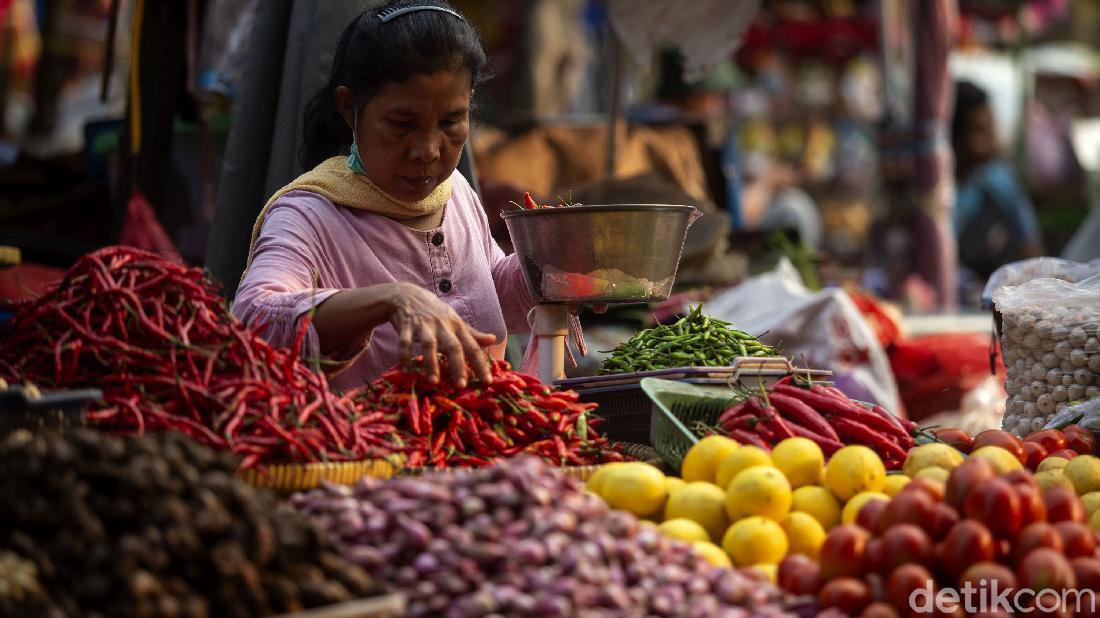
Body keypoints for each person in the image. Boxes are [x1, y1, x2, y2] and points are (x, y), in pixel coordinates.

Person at [233, 0, 533, 391]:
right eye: (401, 124)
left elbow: (487, 290)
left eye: (451, 121)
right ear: (349, 108)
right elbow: (252, 317)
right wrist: (388, 300)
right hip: (363, 447)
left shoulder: (455, 190)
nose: (427, 149)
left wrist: (552, 266)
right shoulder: (307, 215)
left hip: (480, 443)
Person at [951, 80, 1043, 280]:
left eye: (992, 126)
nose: (992, 138)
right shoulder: (941, 190)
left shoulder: (998, 180)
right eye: (980, 131)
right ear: (955, 138)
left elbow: (1030, 245)